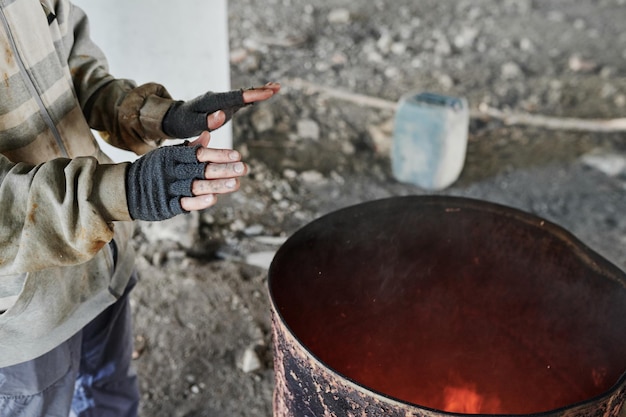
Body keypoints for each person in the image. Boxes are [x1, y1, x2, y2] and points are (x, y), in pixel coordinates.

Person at [0, 1, 280, 416]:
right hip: (26, 313)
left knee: (110, 391)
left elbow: (74, 70)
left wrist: (161, 117)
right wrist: (126, 192)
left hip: (101, 263)